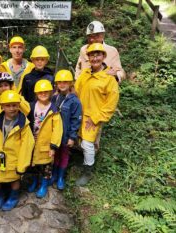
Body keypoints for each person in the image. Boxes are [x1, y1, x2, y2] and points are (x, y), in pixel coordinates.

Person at [74, 43, 119, 186]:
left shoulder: (108, 78)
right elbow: (76, 90)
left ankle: (88, 172)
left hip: (93, 117)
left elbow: (111, 103)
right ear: (88, 58)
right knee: (78, 140)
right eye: (92, 55)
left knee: (87, 144)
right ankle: (78, 161)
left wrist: (96, 119)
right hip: (79, 114)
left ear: (103, 56)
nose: (95, 58)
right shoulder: (85, 73)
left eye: (97, 55)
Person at [0, 90, 35, 211]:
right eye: (8, 105)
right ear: (2, 106)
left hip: (14, 159)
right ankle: (1, 195)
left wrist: (22, 165)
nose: (12, 108)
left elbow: (28, 145)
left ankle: (13, 197)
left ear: (19, 105)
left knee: (15, 180)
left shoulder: (23, 124)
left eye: (14, 105)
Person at [27, 80, 63, 198]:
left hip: (46, 144)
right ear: (36, 93)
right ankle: (34, 181)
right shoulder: (31, 106)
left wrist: (53, 146)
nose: (43, 94)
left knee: (46, 166)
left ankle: (43, 185)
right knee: (33, 165)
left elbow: (57, 130)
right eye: (40, 92)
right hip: (32, 142)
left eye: (46, 92)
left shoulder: (54, 109)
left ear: (51, 92)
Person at [51, 70, 82, 190]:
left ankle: (60, 177)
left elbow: (76, 120)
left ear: (70, 84)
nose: (62, 85)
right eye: (59, 82)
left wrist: (72, 137)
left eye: (65, 82)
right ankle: (53, 174)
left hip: (66, 134)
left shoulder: (75, 101)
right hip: (55, 134)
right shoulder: (55, 98)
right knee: (55, 154)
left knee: (64, 155)